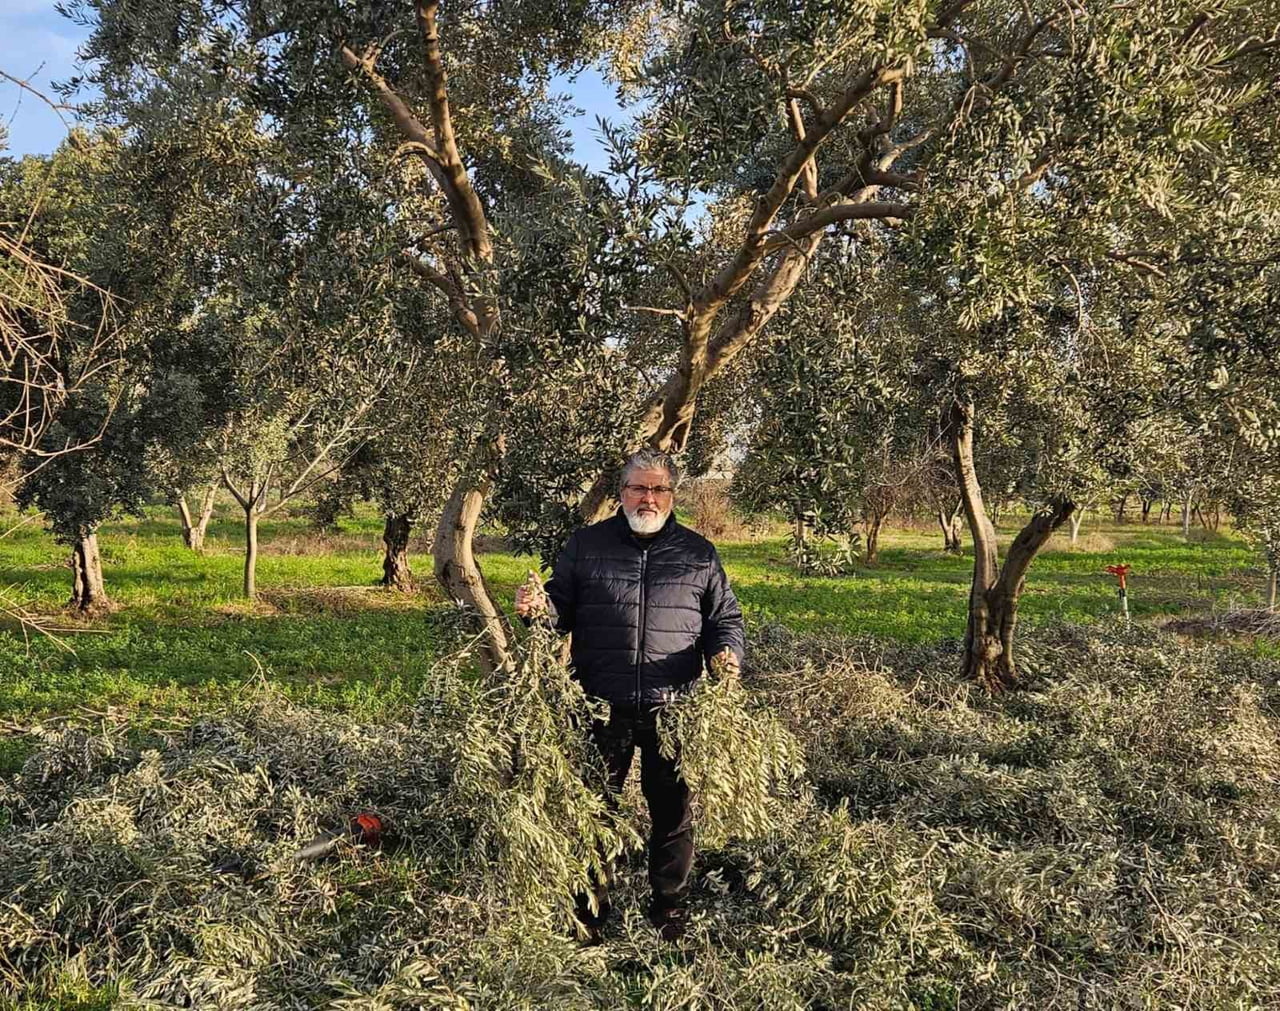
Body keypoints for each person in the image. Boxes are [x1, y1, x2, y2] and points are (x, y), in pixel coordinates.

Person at [515, 448, 746, 942]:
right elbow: (559, 611)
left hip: (674, 706)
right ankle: (590, 911)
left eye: (659, 489)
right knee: (596, 810)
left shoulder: (699, 553)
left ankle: (668, 908)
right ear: (621, 493)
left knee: (673, 812)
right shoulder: (587, 545)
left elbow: (723, 619)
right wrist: (537, 610)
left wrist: (726, 655)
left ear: (672, 495)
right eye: (639, 488)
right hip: (601, 702)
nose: (649, 498)